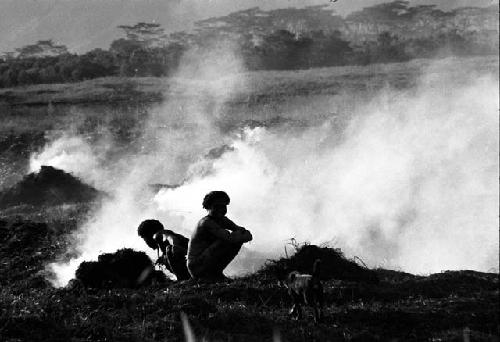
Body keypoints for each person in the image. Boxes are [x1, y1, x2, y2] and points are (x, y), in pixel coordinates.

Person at [187, 191, 252, 281]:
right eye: (217, 206)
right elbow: (230, 238)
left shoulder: (223, 220)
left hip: (205, 260)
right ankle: (208, 276)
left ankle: (215, 273)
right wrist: (242, 235)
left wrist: (242, 234)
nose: (221, 209)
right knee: (227, 240)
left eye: (223, 206)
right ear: (208, 207)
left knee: (235, 240)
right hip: (197, 266)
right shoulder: (206, 222)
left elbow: (240, 230)